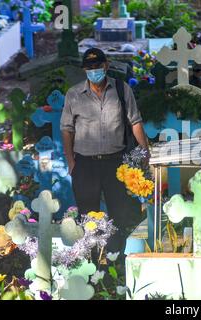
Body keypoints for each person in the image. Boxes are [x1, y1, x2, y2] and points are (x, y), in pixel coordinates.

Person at [60, 48, 149, 255]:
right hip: (85, 164)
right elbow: (67, 129)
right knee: (89, 218)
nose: (94, 71)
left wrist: (145, 151)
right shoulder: (74, 94)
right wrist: (71, 161)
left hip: (115, 163)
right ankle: (92, 266)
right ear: (84, 70)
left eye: (98, 66)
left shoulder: (121, 89)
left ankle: (114, 259)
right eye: (89, 68)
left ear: (106, 66)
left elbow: (134, 121)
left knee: (119, 215)